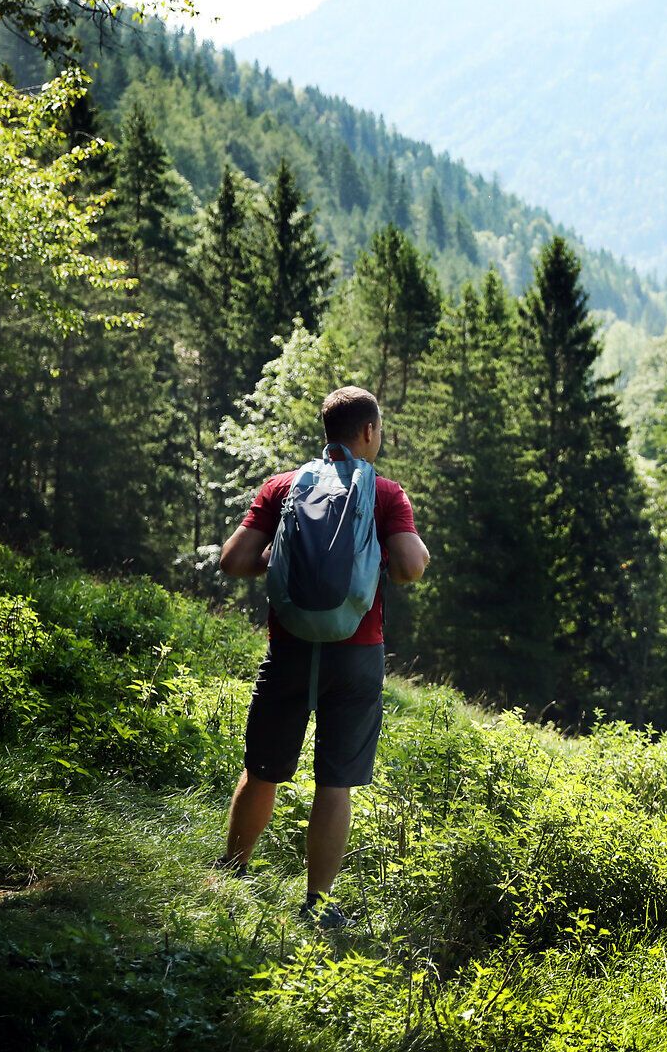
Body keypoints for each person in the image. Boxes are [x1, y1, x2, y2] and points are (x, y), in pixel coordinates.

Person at [216, 386, 429, 928]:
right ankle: (318, 905)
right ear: (367, 432)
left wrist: (285, 554)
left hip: (289, 648)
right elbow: (409, 567)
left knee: (262, 768)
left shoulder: (282, 487)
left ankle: (231, 874)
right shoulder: (385, 494)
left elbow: (234, 561)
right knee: (335, 782)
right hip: (355, 655)